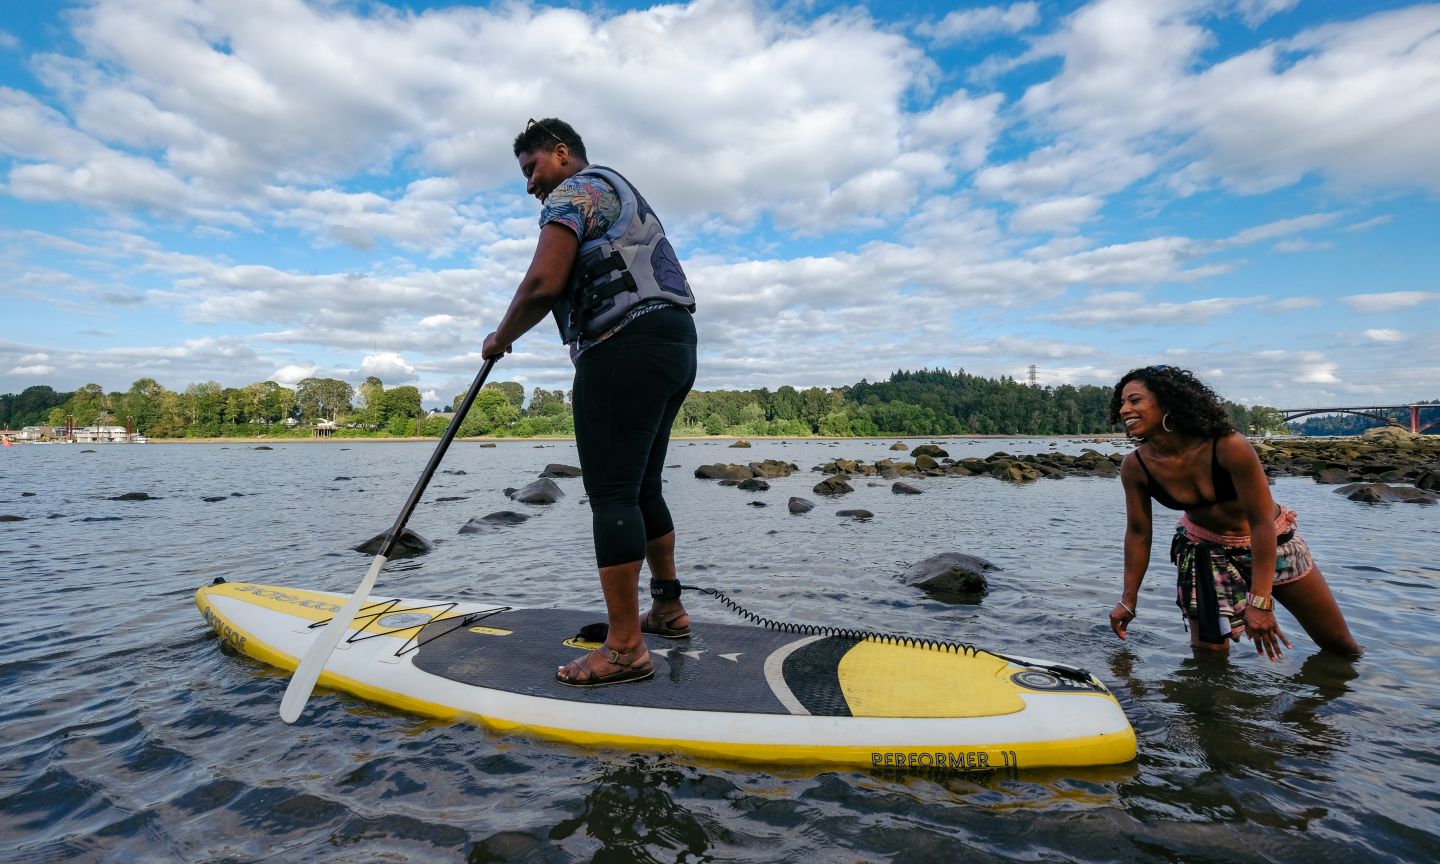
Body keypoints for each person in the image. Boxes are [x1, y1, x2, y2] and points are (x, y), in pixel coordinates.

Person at [481, 118, 698, 686]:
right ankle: (668, 611)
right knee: (644, 485)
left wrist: (501, 337)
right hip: (673, 345)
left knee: (612, 495)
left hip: (622, 348)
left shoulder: (574, 192)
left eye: (532, 169)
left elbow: (542, 284)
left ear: (561, 153)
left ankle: (625, 647)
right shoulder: (618, 192)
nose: (530, 184)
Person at [1107, 365, 1362, 660]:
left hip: (1272, 545)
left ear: (1168, 403)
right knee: (1207, 658)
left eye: (1135, 400)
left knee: (1340, 647)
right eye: (1122, 402)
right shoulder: (1136, 466)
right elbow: (1139, 534)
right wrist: (1128, 600)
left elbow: (1261, 523)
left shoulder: (1229, 447)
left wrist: (1260, 601)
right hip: (1205, 552)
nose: (1125, 409)